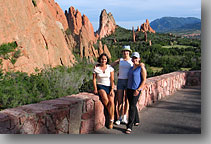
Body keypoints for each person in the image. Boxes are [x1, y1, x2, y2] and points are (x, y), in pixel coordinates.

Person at [111, 45, 145, 125]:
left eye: (127, 51)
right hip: (120, 81)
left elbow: (138, 67)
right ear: (122, 52)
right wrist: (99, 66)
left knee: (126, 101)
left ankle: (125, 117)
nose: (125, 52)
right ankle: (119, 118)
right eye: (124, 51)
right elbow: (110, 65)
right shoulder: (120, 60)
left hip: (129, 82)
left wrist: (142, 64)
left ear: (129, 52)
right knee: (120, 101)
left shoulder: (132, 61)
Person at [125, 52, 147, 134]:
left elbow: (144, 80)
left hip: (136, 89)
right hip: (129, 88)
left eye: (136, 58)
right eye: (133, 58)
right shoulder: (131, 68)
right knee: (132, 104)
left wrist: (138, 89)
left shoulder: (141, 67)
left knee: (131, 106)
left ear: (139, 59)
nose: (134, 59)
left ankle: (129, 126)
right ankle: (136, 120)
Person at [93, 53, 115, 129]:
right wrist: (95, 88)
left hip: (109, 86)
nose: (103, 60)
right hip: (101, 86)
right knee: (106, 100)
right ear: (100, 59)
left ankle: (111, 118)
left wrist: (112, 89)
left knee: (111, 102)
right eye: (102, 59)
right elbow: (94, 79)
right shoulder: (96, 68)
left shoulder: (110, 68)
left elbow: (112, 79)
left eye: (105, 59)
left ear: (107, 60)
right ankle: (111, 118)